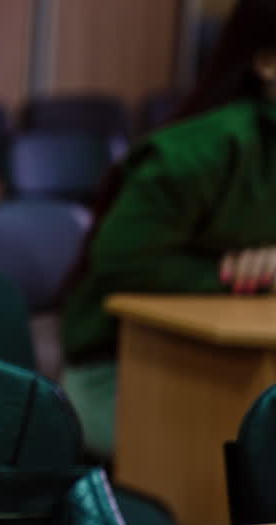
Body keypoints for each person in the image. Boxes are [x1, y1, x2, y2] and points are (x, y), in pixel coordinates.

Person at [62, 0, 276, 458]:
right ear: (267, 62)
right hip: (127, 369)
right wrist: (238, 278)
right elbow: (123, 261)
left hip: (249, 366)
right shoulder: (198, 152)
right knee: (241, 463)